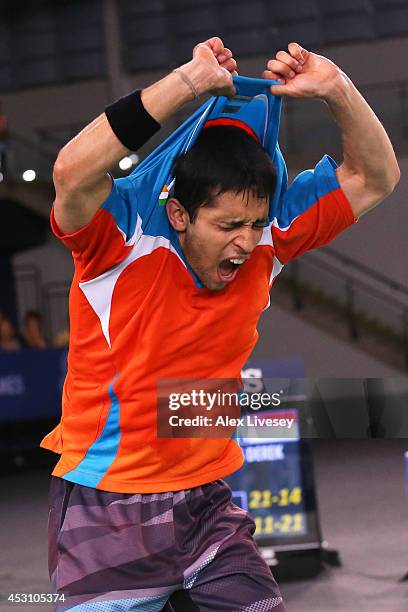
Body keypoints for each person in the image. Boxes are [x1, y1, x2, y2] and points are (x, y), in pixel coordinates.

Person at [40, 37, 399, 611]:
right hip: (108, 506)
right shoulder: (119, 239)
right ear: (180, 213)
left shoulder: (268, 238)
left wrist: (336, 89)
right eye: (229, 223)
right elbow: (71, 171)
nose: (245, 241)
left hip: (206, 503)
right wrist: (187, 83)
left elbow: (375, 177)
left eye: (255, 223)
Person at [0, 101, 9, 179]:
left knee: (3, 162)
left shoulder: (2, 118)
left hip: (2, 145)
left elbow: (4, 132)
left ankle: (4, 178)